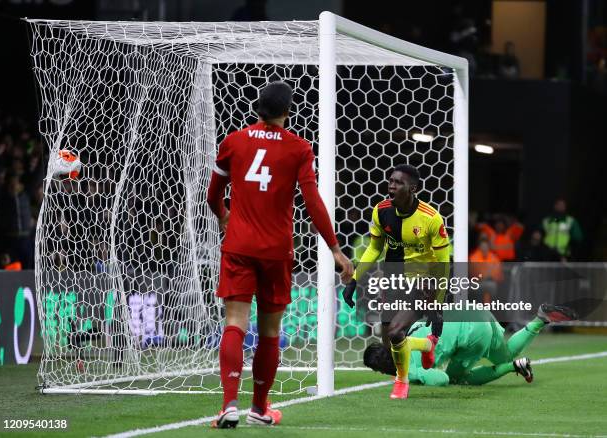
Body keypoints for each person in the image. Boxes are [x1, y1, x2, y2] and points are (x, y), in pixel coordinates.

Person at [206, 81, 353, 428]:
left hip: (239, 247)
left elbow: (213, 195)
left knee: (235, 322)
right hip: (276, 251)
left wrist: (226, 217)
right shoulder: (298, 149)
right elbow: (313, 202)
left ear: (258, 108)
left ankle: (229, 404)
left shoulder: (234, 141)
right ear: (288, 111)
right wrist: (335, 249)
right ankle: (259, 408)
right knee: (270, 330)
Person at [341, 164, 450, 399]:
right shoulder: (381, 211)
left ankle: (401, 382)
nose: (391, 185)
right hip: (393, 278)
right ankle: (426, 345)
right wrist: (354, 280)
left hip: (423, 282)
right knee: (390, 341)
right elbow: (374, 248)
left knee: (396, 331)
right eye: (390, 180)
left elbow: (443, 264)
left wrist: (437, 303)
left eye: (398, 182)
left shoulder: (431, 218)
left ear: (413, 188)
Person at [364, 304, 578, 387]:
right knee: (506, 355)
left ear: (380, 369)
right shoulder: (409, 332)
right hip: (476, 311)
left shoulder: (406, 366)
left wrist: (415, 377)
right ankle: (540, 319)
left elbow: (442, 379)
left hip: (471, 331)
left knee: (457, 377)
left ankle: (515, 367)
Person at [469, 238, 503, 303]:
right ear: (479, 247)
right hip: (476, 283)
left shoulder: (493, 257)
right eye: (482, 246)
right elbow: (475, 273)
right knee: (489, 286)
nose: (484, 248)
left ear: (488, 247)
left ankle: (487, 309)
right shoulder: (474, 257)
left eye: (486, 246)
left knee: (490, 286)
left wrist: (488, 275)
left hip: (491, 282)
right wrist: (486, 274)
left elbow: (497, 271)